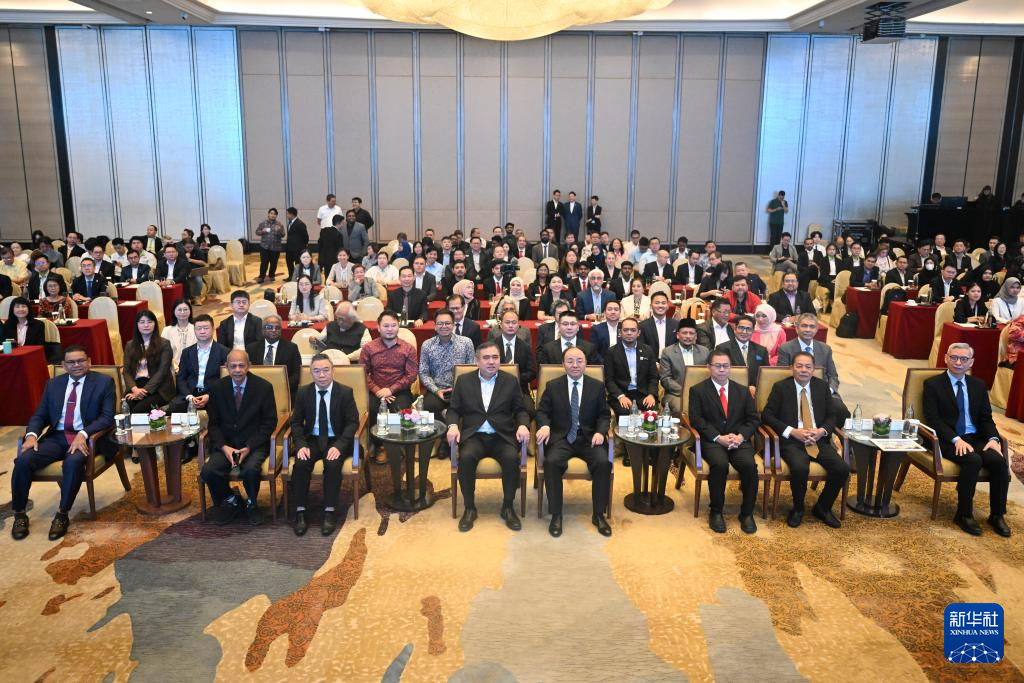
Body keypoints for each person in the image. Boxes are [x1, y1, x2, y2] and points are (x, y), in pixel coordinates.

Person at [10, 345, 116, 541]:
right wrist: (32, 435)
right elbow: (40, 415)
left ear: (89, 362)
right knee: (24, 461)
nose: (76, 365)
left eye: (81, 360)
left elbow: (107, 417)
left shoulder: (104, 382)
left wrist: (84, 433)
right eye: (71, 362)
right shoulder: (53, 385)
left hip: (85, 437)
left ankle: (62, 514)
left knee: (72, 463)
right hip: (57, 437)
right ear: (63, 365)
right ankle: (19, 514)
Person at [922, 343, 1011, 537]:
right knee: (973, 460)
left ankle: (997, 515)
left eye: (963, 359)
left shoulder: (978, 385)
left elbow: (986, 418)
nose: (958, 362)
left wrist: (993, 438)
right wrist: (956, 439)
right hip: (947, 439)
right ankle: (963, 514)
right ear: (946, 358)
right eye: (954, 357)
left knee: (998, 461)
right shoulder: (933, 384)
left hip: (975, 437)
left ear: (971, 362)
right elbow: (933, 420)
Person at [447, 341, 531, 532]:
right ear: (477, 361)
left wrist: (523, 425)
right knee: (466, 458)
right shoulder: (464, 381)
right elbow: (453, 409)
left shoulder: (510, 381)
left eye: (495, 357)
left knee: (511, 459)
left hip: (502, 436)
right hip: (474, 436)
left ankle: (507, 507)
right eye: (486, 358)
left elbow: (520, 410)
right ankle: (470, 508)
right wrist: (452, 426)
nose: (491, 362)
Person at [762, 351, 850, 528]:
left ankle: (823, 508)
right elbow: (767, 415)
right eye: (799, 366)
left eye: (808, 367)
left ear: (813, 369)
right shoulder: (781, 387)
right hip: (792, 441)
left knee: (842, 468)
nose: (803, 370)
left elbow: (832, 415)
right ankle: (798, 508)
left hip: (817, 440)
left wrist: (822, 431)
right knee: (800, 467)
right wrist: (792, 431)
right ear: (791, 368)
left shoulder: (822, 387)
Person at [536, 346, 613, 537]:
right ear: (563, 364)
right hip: (562, 437)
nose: (575, 365)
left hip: (589, 438)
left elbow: (604, 415)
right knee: (551, 462)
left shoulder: (597, 386)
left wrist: (601, 432)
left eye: (579, 361)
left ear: (586, 363)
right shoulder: (553, 386)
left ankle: (598, 515)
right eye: (570, 361)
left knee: (603, 463)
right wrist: (544, 425)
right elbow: (542, 412)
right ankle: (556, 515)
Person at [688, 349, 761, 533]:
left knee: (749, 466)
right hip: (712, 441)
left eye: (725, 366)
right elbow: (696, 420)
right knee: (719, 465)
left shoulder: (743, 391)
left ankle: (747, 513)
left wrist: (741, 436)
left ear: (730, 368)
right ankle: (716, 511)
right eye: (717, 366)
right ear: (709, 367)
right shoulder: (697, 390)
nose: (722, 370)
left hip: (738, 440)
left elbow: (753, 419)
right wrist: (718, 438)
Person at [201, 349, 277, 525]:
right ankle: (231, 500)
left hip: (254, 444)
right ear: (226, 367)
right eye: (233, 366)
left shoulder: (263, 387)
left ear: (249, 366)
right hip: (226, 444)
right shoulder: (217, 388)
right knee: (208, 471)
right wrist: (224, 447)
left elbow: (269, 423)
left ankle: (252, 504)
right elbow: (213, 424)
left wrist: (249, 446)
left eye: (241, 366)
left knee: (250, 470)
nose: (237, 370)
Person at [289, 353, 360, 536]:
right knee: (301, 463)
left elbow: (353, 422)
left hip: (336, 438)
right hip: (312, 439)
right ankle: (300, 511)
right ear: (311, 373)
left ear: (333, 371)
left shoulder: (344, 392)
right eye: (316, 371)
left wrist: (339, 446)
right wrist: (300, 444)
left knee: (333, 464)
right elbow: (296, 422)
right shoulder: (303, 392)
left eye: (325, 370)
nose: (321, 375)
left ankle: (330, 511)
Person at [360, 310, 418, 462]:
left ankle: (394, 444)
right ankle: (379, 444)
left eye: (393, 325)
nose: (390, 329)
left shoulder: (408, 349)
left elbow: (411, 375)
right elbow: (362, 373)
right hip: (376, 390)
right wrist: (377, 390)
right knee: (372, 409)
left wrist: (391, 390)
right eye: (386, 326)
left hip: (399, 391)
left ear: (398, 326)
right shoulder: (369, 348)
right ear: (378, 328)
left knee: (399, 409)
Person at [418, 308, 475, 416]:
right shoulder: (427, 345)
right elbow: (423, 372)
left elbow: (472, 369)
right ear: (435, 326)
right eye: (440, 323)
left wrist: (459, 390)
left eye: (447, 323)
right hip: (436, 390)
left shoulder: (466, 343)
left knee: (470, 407)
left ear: (453, 325)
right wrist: (436, 390)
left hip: (461, 390)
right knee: (430, 407)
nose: (444, 326)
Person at [122, 310, 175, 415]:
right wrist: (134, 389)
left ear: (155, 324)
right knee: (127, 406)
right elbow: (126, 371)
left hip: (159, 388)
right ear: (137, 325)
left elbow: (162, 371)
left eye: (150, 322)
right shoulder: (130, 345)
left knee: (138, 410)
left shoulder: (164, 344)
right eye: (142, 322)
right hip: (136, 386)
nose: (146, 325)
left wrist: (144, 391)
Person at [777, 313, 842, 400]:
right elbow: (783, 376)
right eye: (804, 326)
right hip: (796, 393)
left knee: (840, 407)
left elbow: (833, 376)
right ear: (797, 328)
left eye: (812, 327)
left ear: (816, 329)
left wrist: (828, 391)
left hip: (824, 392)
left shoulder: (825, 349)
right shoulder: (785, 349)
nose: (808, 330)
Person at [660, 318, 710, 413]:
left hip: (701, 394)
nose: (688, 336)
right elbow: (665, 379)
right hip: (675, 394)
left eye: (691, 333)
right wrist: (686, 391)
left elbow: (708, 375)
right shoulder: (668, 352)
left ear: (696, 336)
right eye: (684, 333)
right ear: (678, 335)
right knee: (681, 408)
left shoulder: (704, 351)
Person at [246, 315, 301, 398]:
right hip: (257, 392)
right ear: (263, 330)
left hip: (283, 391)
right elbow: (247, 371)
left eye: (277, 327)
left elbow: (297, 374)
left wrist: (280, 386)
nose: (274, 330)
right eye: (269, 327)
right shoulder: (252, 348)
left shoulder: (291, 348)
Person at [716, 314, 768, 391]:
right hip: (731, 390)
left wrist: (755, 387)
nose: (744, 332)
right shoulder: (723, 349)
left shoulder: (761, 350)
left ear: (753, 331)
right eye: (741, 328)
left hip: (755, 390)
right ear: (735, 328)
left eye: (748, 329)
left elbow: (765, 375)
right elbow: (720, 373)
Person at [639, 291, 679, 357]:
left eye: (663, 303)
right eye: (657, 303)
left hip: (672, 361)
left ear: (667, 306)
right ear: (651, 306)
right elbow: (641, 348)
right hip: (651, 361)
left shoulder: (676, 325)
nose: (660, 306)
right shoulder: (642, 326)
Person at [160, 299, 196, 372]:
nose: (182, 312)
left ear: (190, 311)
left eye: (185, 309)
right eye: (179, 310)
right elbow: (163, 353)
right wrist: (175, 367)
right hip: (172, 369)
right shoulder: (166, 330)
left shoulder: (196, 329)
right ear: (174, 311)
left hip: (194, 368)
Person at [255, 208, 285, 283]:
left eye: (274, 214)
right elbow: (257, 232)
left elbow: (283, 235)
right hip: (264, 247)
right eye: (271, 213)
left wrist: (279, 231)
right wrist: (262, 231)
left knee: (274, 263)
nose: (273, 215)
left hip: (276, 247)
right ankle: (261, 277)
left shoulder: (279, 224)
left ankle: (272, 275)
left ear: (276, 215)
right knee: (264, 262)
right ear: (268, 214)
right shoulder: (263, 223)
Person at [284, 208, 309, 281]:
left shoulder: (300, 224)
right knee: (289, 263)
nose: (287, 215)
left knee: (298, 264)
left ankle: (298, 277)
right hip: (289, 248)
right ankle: (291, 277)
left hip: (298, 249)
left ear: (292, 214)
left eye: (288, 214)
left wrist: (302, 247)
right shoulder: (290, 223)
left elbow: (306, 237)